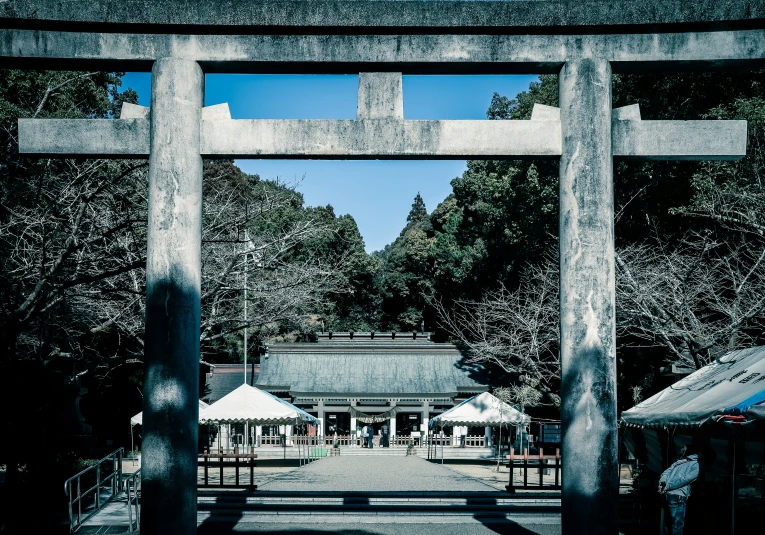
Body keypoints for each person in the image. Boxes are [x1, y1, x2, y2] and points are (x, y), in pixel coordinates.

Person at [658, 444, 703, 535]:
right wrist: (664, 486)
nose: (681, 449)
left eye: (684, 448)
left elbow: (666, 474)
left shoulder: (681, 462)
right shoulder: (695, 464)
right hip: (678, 495)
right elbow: (684, 480)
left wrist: (663, 485)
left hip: (669, 494)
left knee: (668, 524)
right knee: (677, 524)